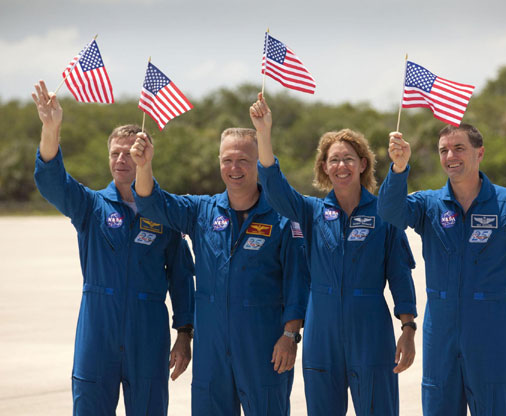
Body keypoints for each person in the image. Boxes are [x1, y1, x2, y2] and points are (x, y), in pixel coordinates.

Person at [377, 124, 506, 415]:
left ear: (480, 153)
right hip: (440, 335)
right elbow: (389, 211)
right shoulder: (429, 205)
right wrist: (399, 169)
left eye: (459, 148)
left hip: (491, 333)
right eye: (443, 150)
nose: (451, 156)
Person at [32, 80, 195, 416]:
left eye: (129, 153)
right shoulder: (90, 206)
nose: (122, 159)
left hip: (147, 331)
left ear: (145, 155)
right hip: (98, 328)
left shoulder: (166, 213)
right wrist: (51, 128)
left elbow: (182, 279)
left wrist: (184, 335)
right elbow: (52, 181)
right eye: (115, 153)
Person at [249, 93, 418, 416]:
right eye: (334, 160)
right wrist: (263, 133)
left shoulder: (385, 214)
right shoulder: (310, 212)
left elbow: (399, 273)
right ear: (324, 168)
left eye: (349, 158)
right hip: (321, 331)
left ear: (363, 164)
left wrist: (408, 328)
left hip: (370, 328)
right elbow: (275, 186)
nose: (342, 166)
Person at [130, 126, 309, 415]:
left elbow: (298, 282)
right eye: (227, 160)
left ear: (258, 163)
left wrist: (290, 336)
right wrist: (144, 165)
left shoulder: (283, 218)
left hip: (263, 346)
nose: (233, 168)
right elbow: (152, 204)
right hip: (211, 348)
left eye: (243, 161)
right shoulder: (201, 211)